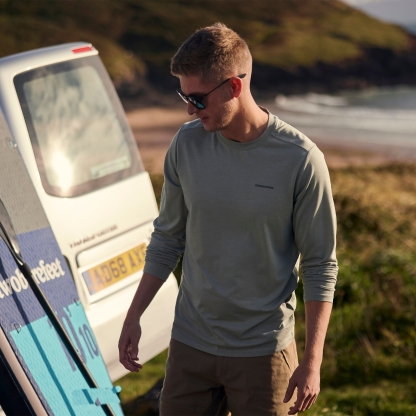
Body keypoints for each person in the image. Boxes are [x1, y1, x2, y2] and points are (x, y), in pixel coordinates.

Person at [119, 22, 338, 416]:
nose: (189, 109)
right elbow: (167, 238)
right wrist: (134, 315)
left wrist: (312, 361)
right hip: (190, 345)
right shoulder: (186, 144)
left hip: (264, 352)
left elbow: (321, 265)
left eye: (197, 99)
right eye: (183, 96)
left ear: (234, 87)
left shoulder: (301, 159)